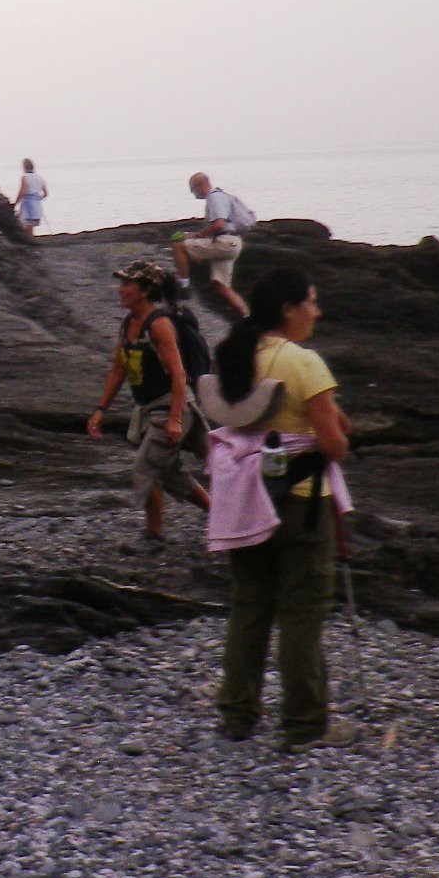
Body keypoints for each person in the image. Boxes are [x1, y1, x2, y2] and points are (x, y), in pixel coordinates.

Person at [204, 266, 357, 753]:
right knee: (301, 613)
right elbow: (333, 445)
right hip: (302, 505)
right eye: (311, 302)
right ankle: (305, 724)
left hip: (245, 499)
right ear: (288, 310)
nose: (317, 312)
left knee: (249, 606)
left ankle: (237, 713)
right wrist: (335, 432)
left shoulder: (236, 355)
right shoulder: (304, 363)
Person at [87, 261, 210, 543]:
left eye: (127, 284)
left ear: (144, 291)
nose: (121, 290)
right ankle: (215, 512)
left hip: (172, 406)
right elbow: (119, 368)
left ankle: (153, 534)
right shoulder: (129, 323)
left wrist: (175, 419)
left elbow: (179, 376)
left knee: (147, 467)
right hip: (148, 409)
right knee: (168, 472)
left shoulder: (160, 325)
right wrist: (100, 410)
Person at [171, 172, 250, 318]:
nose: (193, 194)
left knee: (179, 246)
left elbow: (219, 224)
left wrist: (197, 235)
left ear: (201, 185)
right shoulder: (224, 196)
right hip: (233, 242)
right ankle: (247, 317)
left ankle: (184, 285)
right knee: (221, 287)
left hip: (225, 242)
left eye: (193, 190)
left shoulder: (214, 197)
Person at [13, 160, 50, 236]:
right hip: (37, 205)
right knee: (31, 227)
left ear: (24, 167)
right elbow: (45, 193)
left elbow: (22, 191)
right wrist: (37, 198)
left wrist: (15, 203)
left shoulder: (25, 177)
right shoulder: (40, 178)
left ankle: (28, 242)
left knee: (24, 225)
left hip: (27, 205)